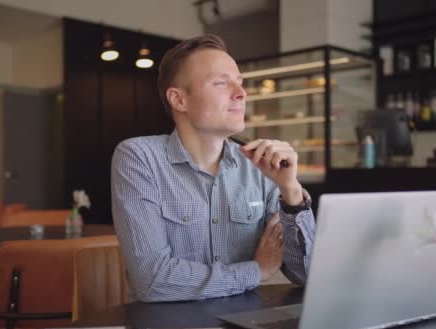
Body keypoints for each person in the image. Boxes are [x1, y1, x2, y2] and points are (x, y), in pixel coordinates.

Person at [111, 34, 316, 302]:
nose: (241, 93)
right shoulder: (139, 157)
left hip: (248, 323)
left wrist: (291, 192)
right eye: (221, 83)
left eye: (240, 83)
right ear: (179, 99)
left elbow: (306, 275)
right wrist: (255, 270)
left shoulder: (259, 167)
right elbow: (152, 282)